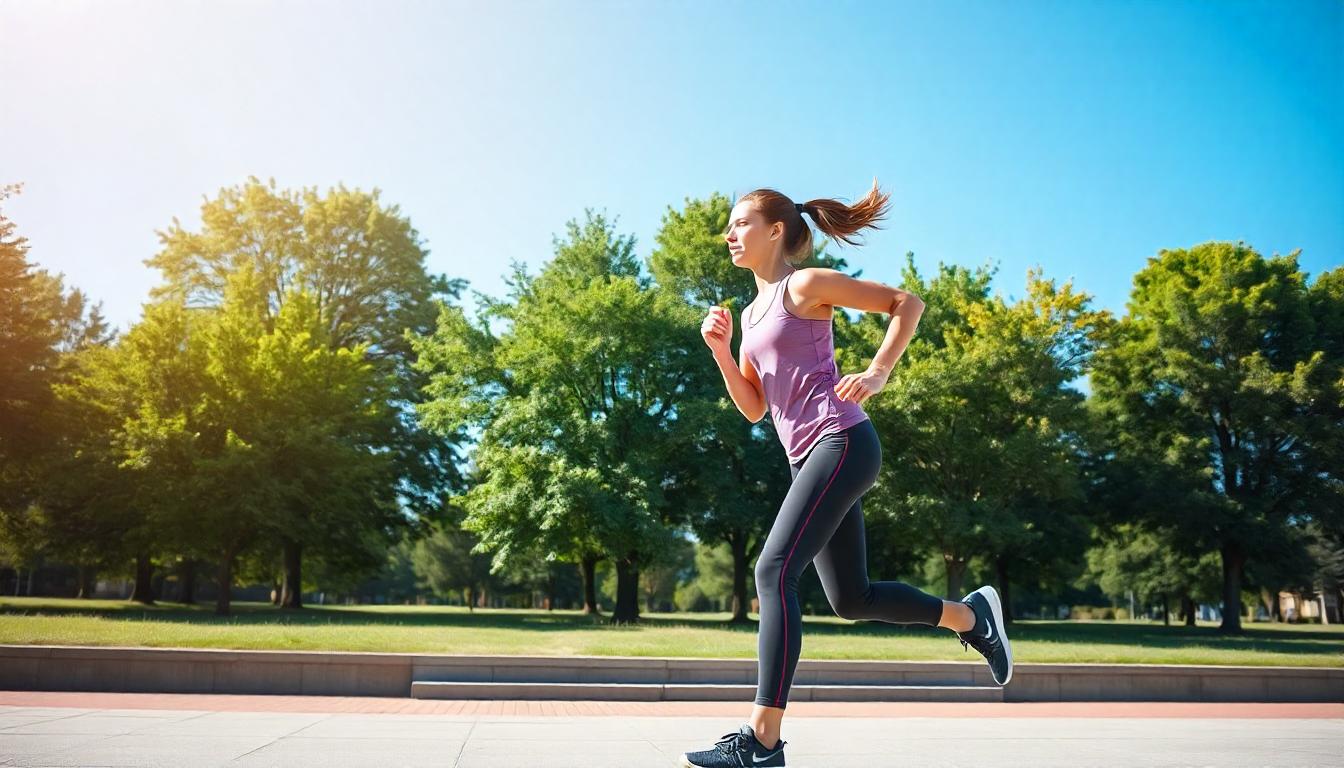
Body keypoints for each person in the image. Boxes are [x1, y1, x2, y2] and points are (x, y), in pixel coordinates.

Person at [682, 182, 1011, 768]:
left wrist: (879, 372)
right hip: (808, 458)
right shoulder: (753, 313)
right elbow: (757, 407)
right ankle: (972, 617)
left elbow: (907, 303)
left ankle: (762, 740)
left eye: (740, 224)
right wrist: (723, 355)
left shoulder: (803, 286)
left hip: (843, 440)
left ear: (775, 230)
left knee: (773, 570)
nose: (728, 236)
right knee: (851, 598)